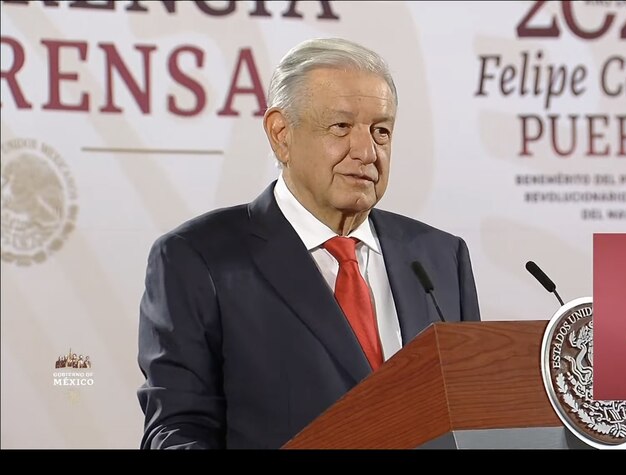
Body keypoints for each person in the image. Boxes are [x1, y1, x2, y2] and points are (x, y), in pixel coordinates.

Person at [136, 38, 481, 449]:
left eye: (381, 131)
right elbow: (175, 432)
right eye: (341, 127)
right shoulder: (199, 258)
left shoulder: (440, 258)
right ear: (281, 134)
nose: (367, 151)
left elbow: (473, 416)